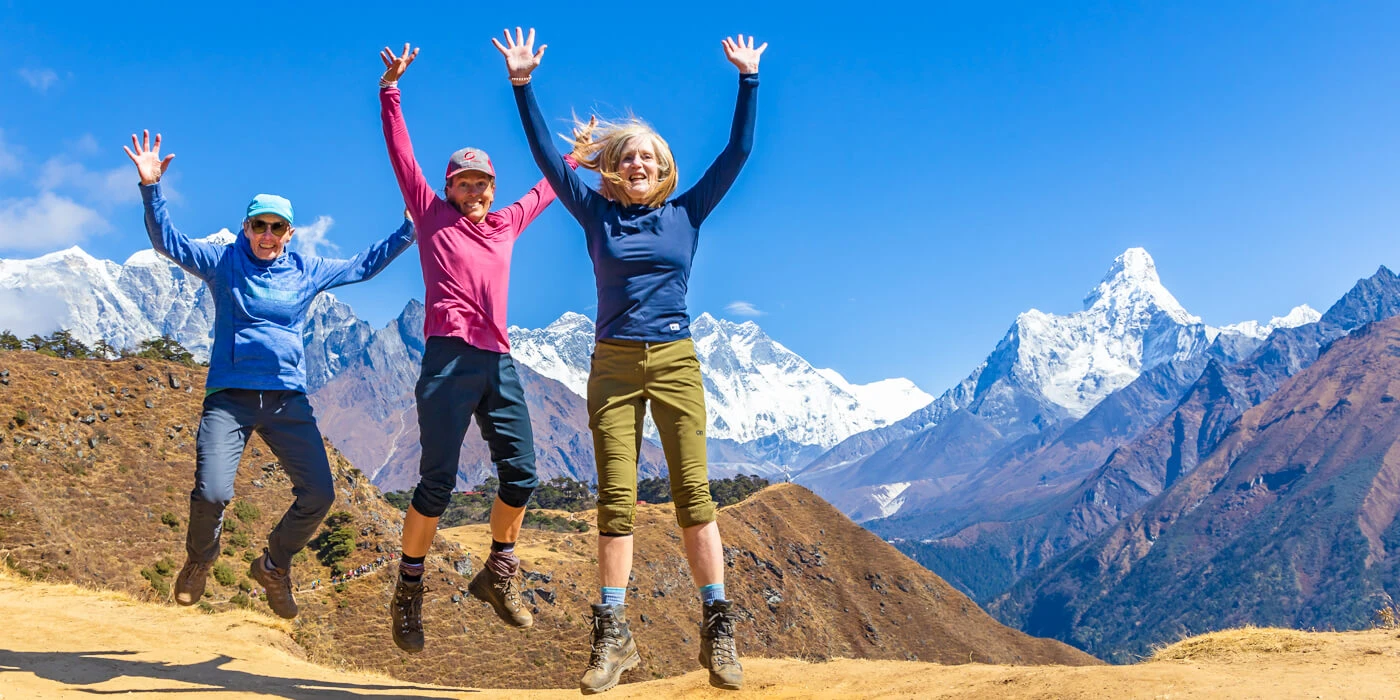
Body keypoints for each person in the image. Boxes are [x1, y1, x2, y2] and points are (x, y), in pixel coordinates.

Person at [494, 27, 764, 693]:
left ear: (663, 165)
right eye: (628, 157)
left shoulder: (688, 213)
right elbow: (545, 157)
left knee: (692, 495)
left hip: (674, 361)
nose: (639, 164)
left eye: (648, 156)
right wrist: (523, 86)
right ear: (613, 166)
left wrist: (748, 80)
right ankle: (612, 639)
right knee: (615, 501)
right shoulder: (594, 216)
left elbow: (739, 152)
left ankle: (718, 630)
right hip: (612, 365)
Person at [125, 130, 416, 619]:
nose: (267, 235)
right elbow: (166, 242)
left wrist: (409, 227)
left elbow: (364, 267)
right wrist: (152, 188)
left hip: (287, 400)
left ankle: (274, 565)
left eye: (277, 228)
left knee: (320, 494)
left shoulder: (306, 269)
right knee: (213, 491)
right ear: (244, 227)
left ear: (290, 233)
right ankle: (200, 560)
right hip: (230, 398)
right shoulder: (222, 262)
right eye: (259, 225)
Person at [377, 43, 573, 654]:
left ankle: (499, 570)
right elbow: (402, 156)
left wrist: (579, 153)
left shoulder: (508, 221)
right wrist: (391, 90)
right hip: (447, 360)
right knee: (436, 483)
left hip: (499, 360)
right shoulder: (432, 216)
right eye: (464, 182)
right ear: (449, 187)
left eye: (483, 181)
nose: (476, 190)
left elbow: (550, 189)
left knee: (523, 473)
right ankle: (408, 590)